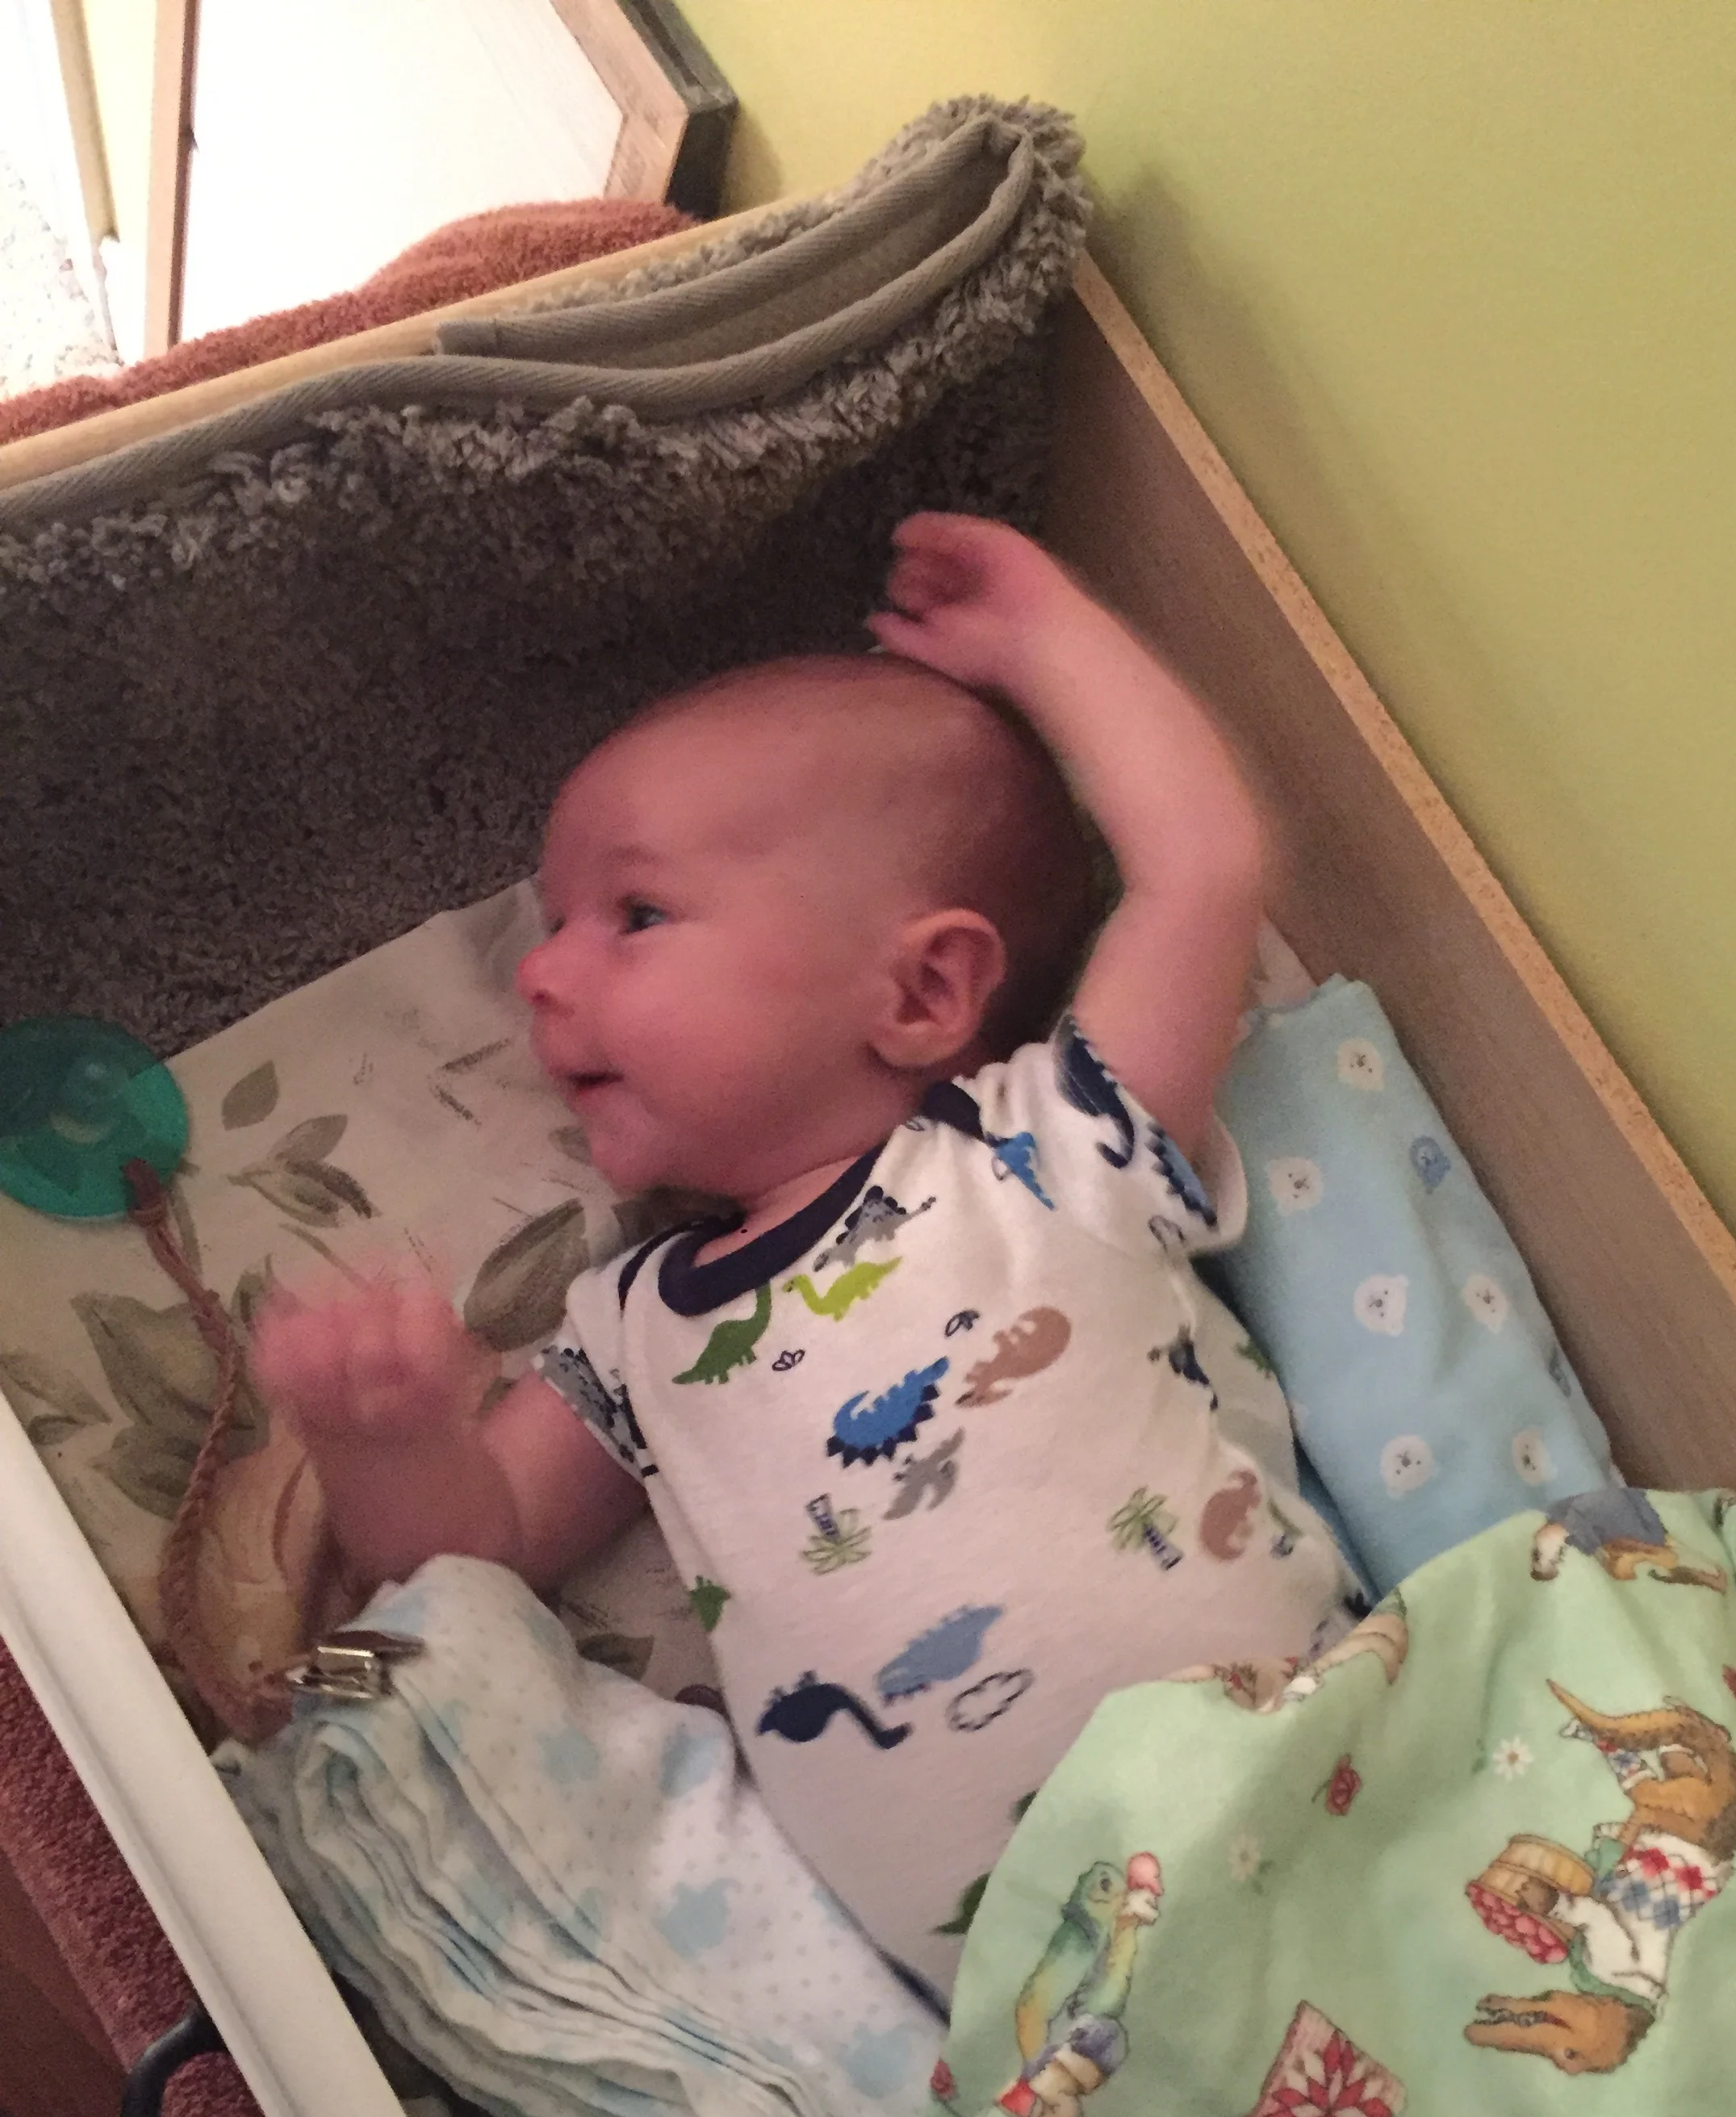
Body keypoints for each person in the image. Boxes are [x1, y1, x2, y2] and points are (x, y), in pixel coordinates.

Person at [252, 514, 1353, 1989]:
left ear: (925, 987)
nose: (539, 968)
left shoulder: (1042, 1143)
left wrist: (1051, 641)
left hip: (1324, 1794)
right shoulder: (632, 1329)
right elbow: (479, 1554)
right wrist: (381, 1440)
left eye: (635, 914)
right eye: (554, 922)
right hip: (1049, 2020)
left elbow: (1202, 872)